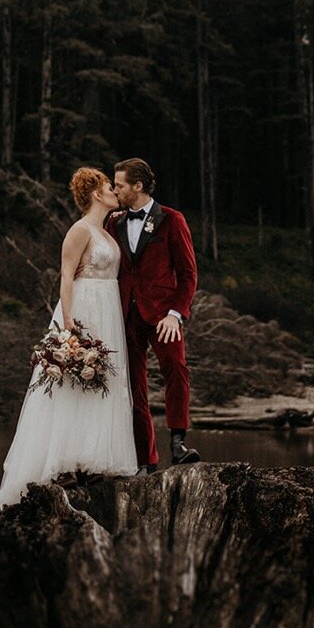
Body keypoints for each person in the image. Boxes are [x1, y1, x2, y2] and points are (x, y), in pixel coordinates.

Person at [0, 167, 139, 505]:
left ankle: (92, 459)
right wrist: (69, 321)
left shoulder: (105, 231)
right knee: (72, 383)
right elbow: (66, 277)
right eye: (108, 186)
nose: (115, 191)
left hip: (108, 309)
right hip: (85, 306)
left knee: (101, 380)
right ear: (95, 194)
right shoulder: (80, 229)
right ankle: (64, 461)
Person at [107, 157, 200, 472]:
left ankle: (178, 443)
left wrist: (176, 313)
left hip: (163, 316)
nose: (114, 189)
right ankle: (146, 460)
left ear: (138, 185)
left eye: (119, 184)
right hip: (125, 315)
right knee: (134, 387)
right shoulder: (114, 222)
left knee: (176, 369)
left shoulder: (172, 220)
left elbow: (188, 275)